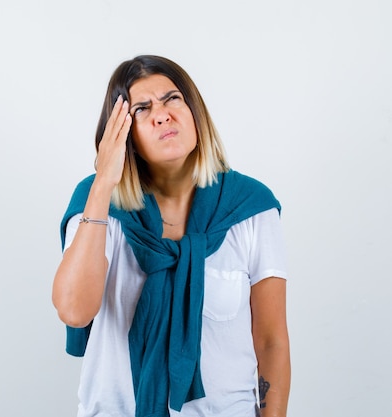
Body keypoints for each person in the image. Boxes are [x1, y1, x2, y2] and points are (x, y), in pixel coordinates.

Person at [52, 55, 290, 417]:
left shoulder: (251, 208)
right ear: (123, 133)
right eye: (142, 108)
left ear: (195, 111)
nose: (162, 114)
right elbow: (74, 311)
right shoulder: (97, 205)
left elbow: (271, 341)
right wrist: (102, 186)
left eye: (172, 99)